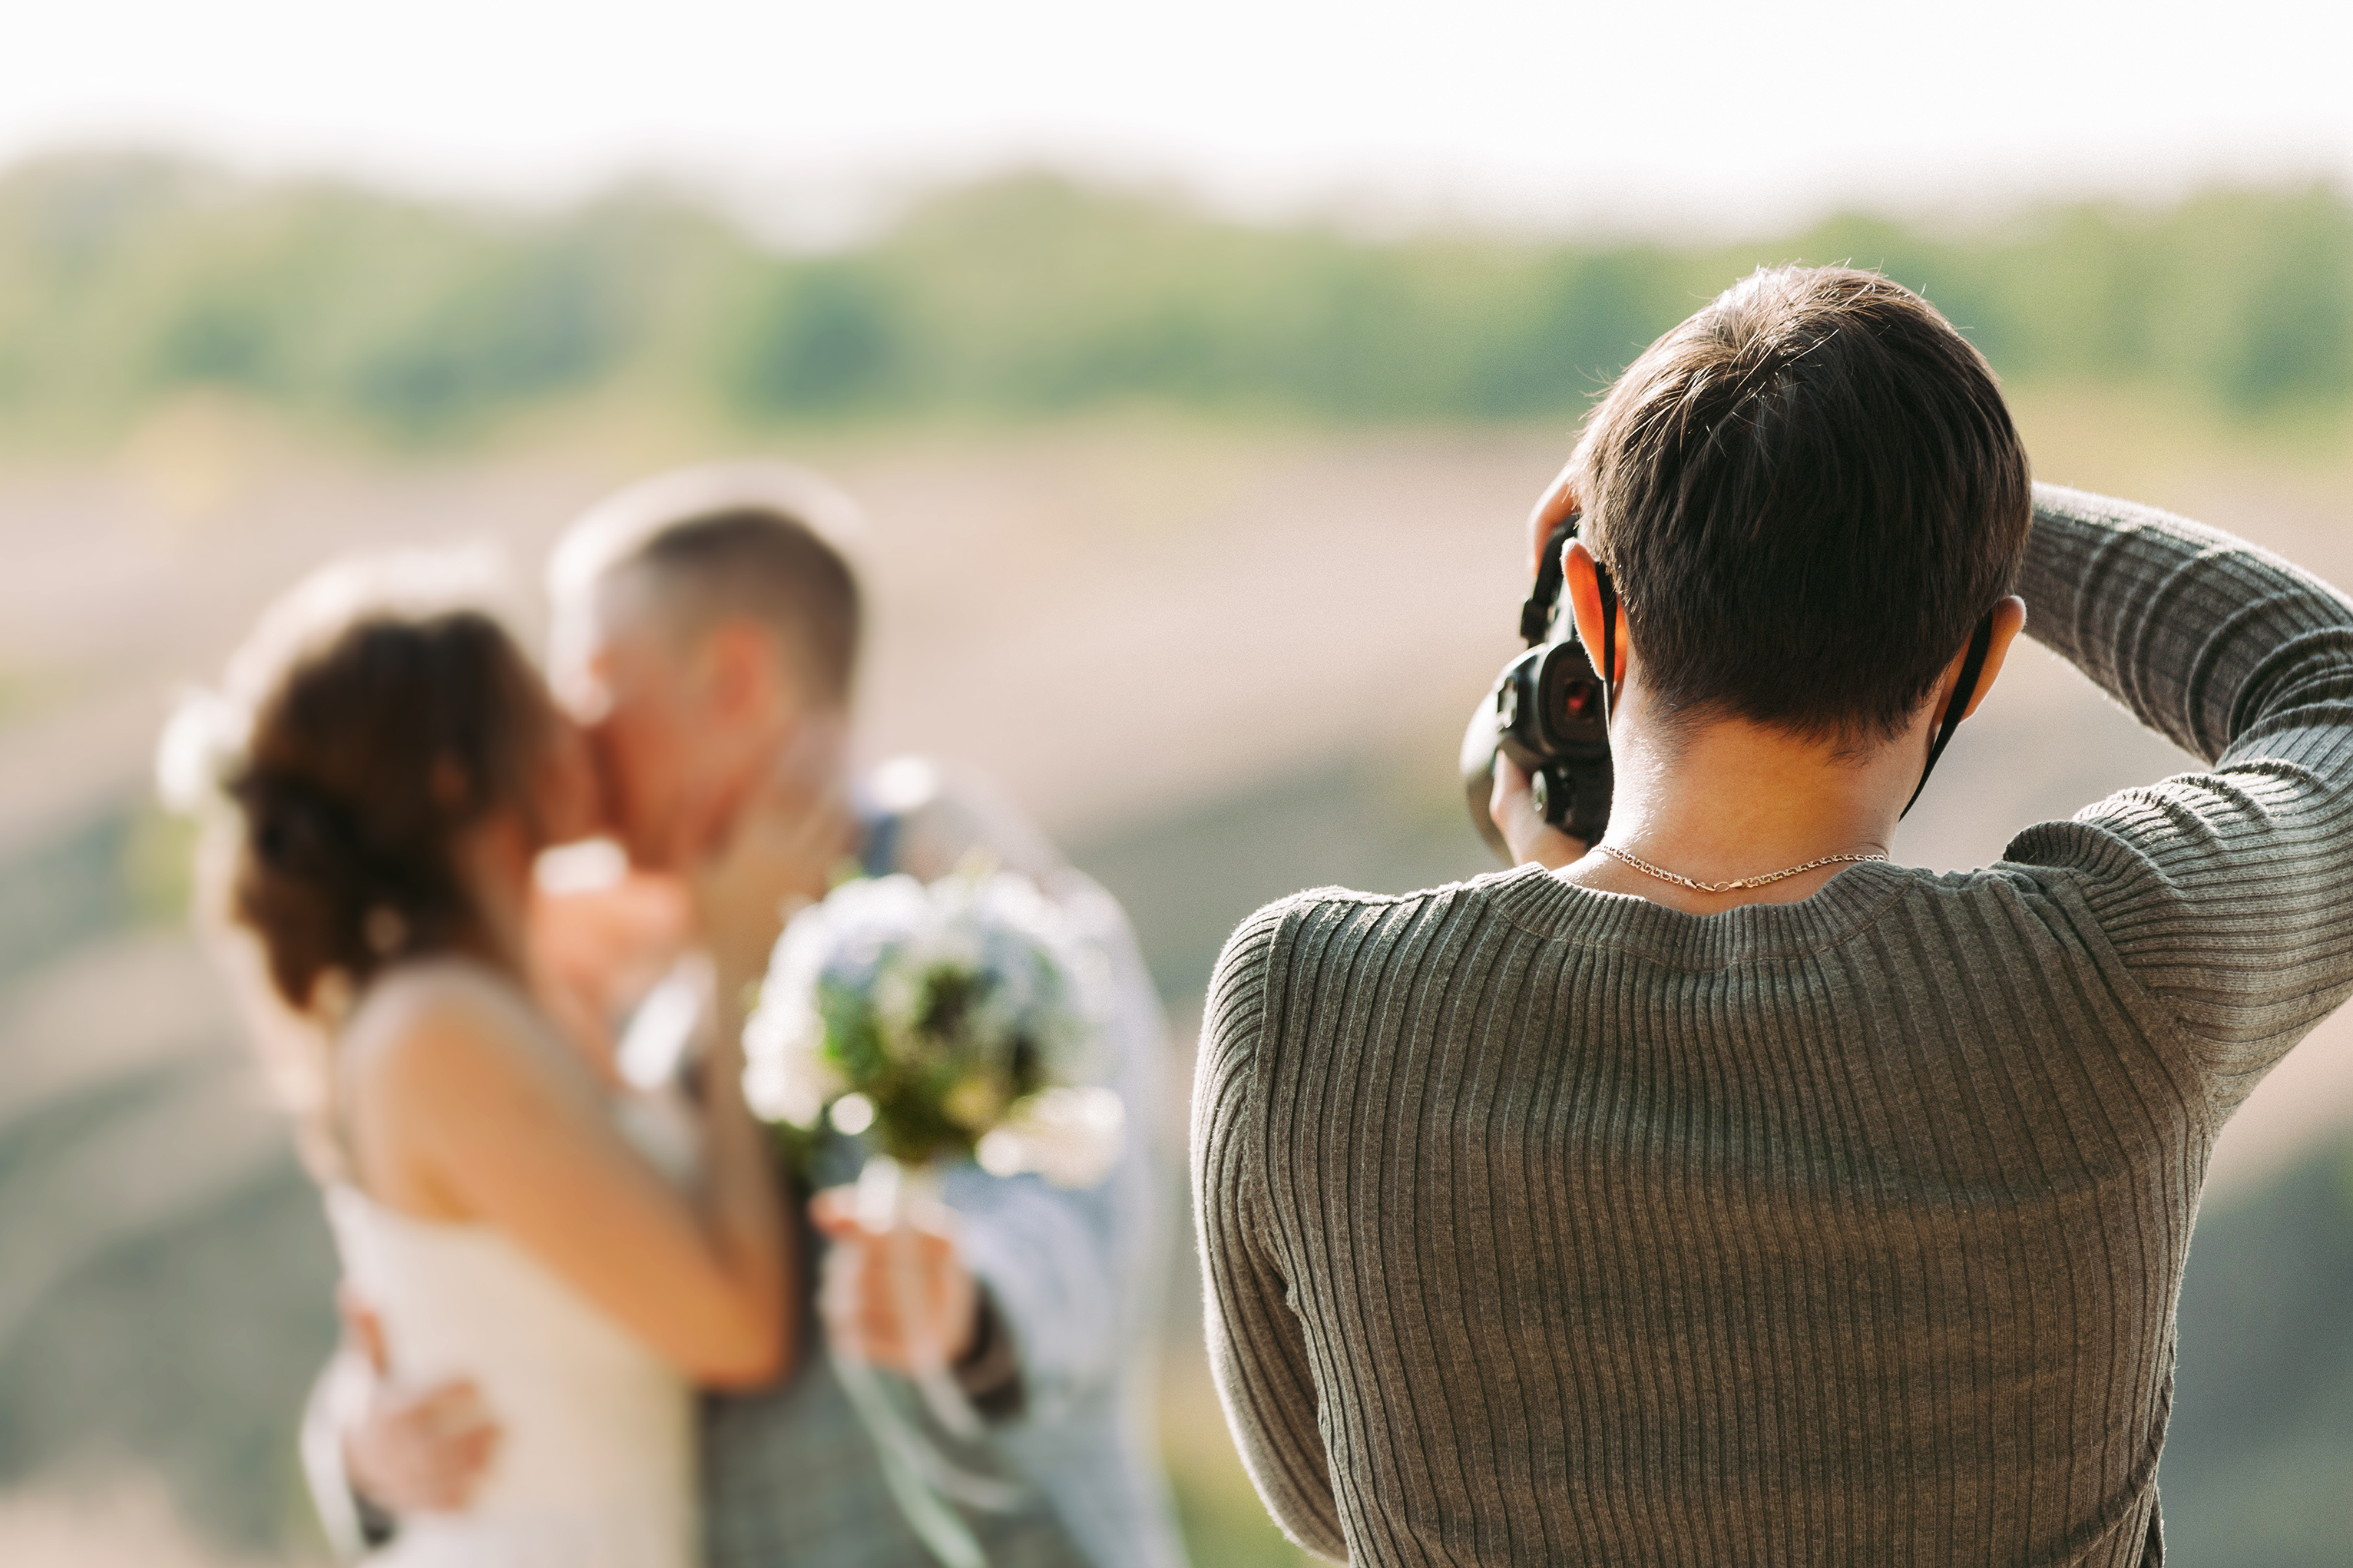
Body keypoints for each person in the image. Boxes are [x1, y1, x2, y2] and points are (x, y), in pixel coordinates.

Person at [1193, 264, 2353, 1566]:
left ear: (1590, 608)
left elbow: (1324, 1495)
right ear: (1975, 661)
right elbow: (2333, 695)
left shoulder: (1310, 1004)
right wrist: (1962, 524)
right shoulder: (2109, 973)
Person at [316, 465, 1188, 1568]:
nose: (564, 744)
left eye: (593, 688)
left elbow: (1075, 1222)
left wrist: (958, 1302)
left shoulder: (978, 909)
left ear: (732, 677)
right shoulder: (665, 1001)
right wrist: (361, 1441)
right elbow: (530, 1282)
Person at [193, 564, 792, 1568]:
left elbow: (712, 884)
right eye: (539, 702)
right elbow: (739, 1326)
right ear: (453, 776)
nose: (578, 723)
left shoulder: (521, 960)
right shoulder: (438, 1028)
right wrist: (734, 975)